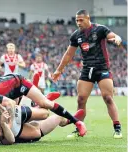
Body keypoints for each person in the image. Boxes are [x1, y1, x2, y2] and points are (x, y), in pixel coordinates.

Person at [52, 9, 122, 139]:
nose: (78, 23)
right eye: (77, 20)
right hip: (87, 70)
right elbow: (69, 54)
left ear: (88, 18)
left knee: (108, 97)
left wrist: (117, 38)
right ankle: (79, 128)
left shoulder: (100, 29)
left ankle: (117, 128)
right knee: (81, 99)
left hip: (102, 68)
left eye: (81, 20)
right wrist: (59, 70)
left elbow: (112, 35)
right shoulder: (76, 35)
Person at [0, 74, 87, 136]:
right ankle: (38, 101)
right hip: (9, 91)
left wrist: (8, 124)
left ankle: (77, 122)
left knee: (45, 104)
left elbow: (10, 104)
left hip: (18, 83)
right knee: (17, 109)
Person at [0, 109, 85, 145]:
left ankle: (39, 106)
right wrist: (3, 123)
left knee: (36, 114)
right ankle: (69, 121)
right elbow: (8, 138)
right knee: (59, 117)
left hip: (26, 126)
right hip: (36, 131)